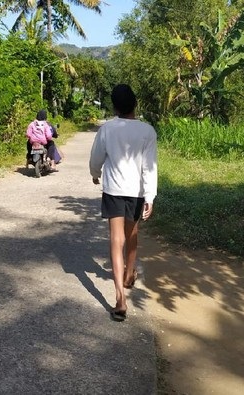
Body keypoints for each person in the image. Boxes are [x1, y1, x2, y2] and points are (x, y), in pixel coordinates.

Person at [89, 84, 158, 322]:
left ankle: (120, 298)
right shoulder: (147, 131)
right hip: (136, 192)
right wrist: (150, 196)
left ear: (115, 106)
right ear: (135, 104)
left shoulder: (107, 129)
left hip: (114, 190)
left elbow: (96, 157)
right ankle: (129, 275)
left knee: (116, 239)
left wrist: (95, 173)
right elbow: (150, 166)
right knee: (132, 234)